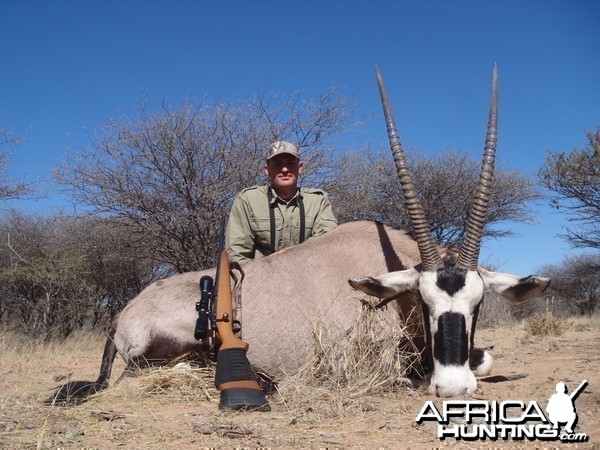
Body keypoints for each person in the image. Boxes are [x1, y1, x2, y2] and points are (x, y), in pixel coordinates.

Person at [226, 140, 337, 262]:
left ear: (299, 168)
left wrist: (289, 255)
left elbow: (328, 244)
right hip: (260, 277)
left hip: (307, 274)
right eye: (277, 164)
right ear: (267, 170)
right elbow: (237, 255)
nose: (285, 169)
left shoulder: (318, 201)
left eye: (290, 163)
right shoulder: (248, 199)